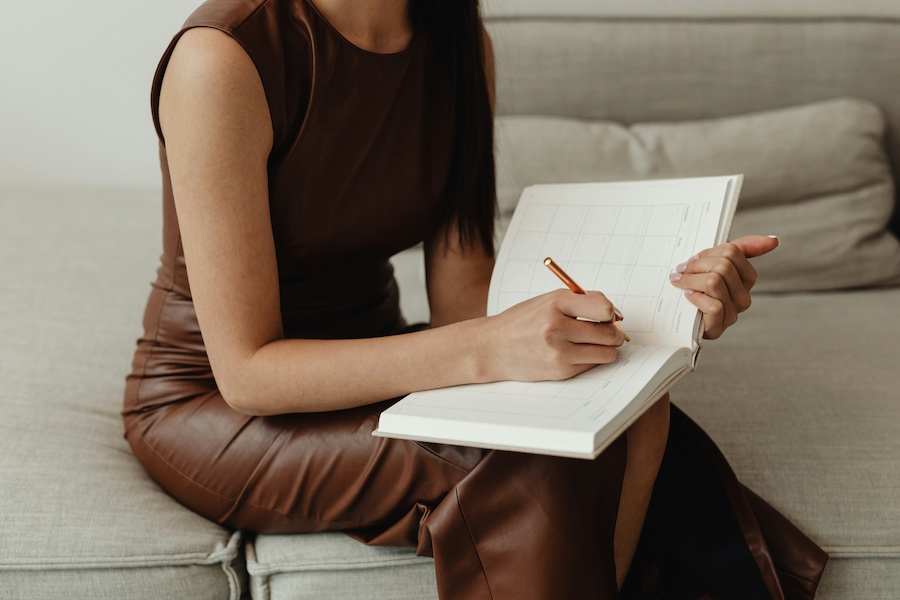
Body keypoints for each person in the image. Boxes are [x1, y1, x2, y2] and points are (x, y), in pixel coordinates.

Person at [122, 0, 827, 597]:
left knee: (637, 414)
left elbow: (465, 301)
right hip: (211, 403)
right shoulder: (222, 58)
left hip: (379, 361)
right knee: (537, 464)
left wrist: (673, 302)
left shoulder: (456, 40)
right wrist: (489, 350)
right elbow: (246, 373)